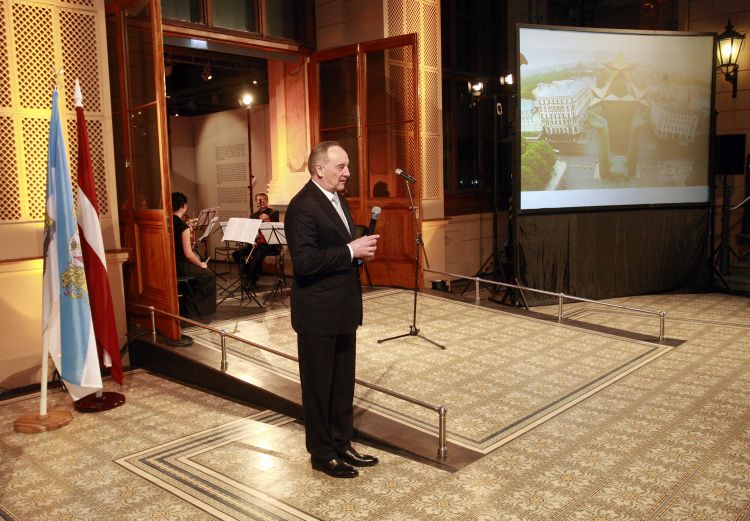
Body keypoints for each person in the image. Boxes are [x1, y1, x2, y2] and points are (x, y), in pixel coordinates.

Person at [285, 141, 380, 478]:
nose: (348, 173)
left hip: (342, 309)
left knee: (342, 385)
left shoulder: (337, 198)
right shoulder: (302, 206)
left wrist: (356, 253)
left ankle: (342, 442)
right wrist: (350, 250)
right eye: (341, 167)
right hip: (317, 313)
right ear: (319, 169)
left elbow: (338, 248)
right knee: (318, 388)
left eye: (347, 166)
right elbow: (305, 262)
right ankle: (322, 453)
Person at [171, 192, 216, 320]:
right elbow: (188, 254)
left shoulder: (166, 222)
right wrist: (201, 264)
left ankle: (187, 306)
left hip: (170, 263)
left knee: (198, 274)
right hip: (181, 265)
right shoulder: (183, 226)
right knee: (208, 275)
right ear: (184, 206)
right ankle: (197, 311)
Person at [232, 192, 280, 288]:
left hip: (269, 244)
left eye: (264, 199)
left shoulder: (274, 213)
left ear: (267, 201)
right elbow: (251, 231)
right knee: (237, 254)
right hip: (256, 243)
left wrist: (267, 219)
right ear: (256, 202)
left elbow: (274, 228)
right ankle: (249, 274)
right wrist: (252, 241)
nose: (262, 201)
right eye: (259, 200)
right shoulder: (254, 215)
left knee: (257, 256)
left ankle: (250, 279)